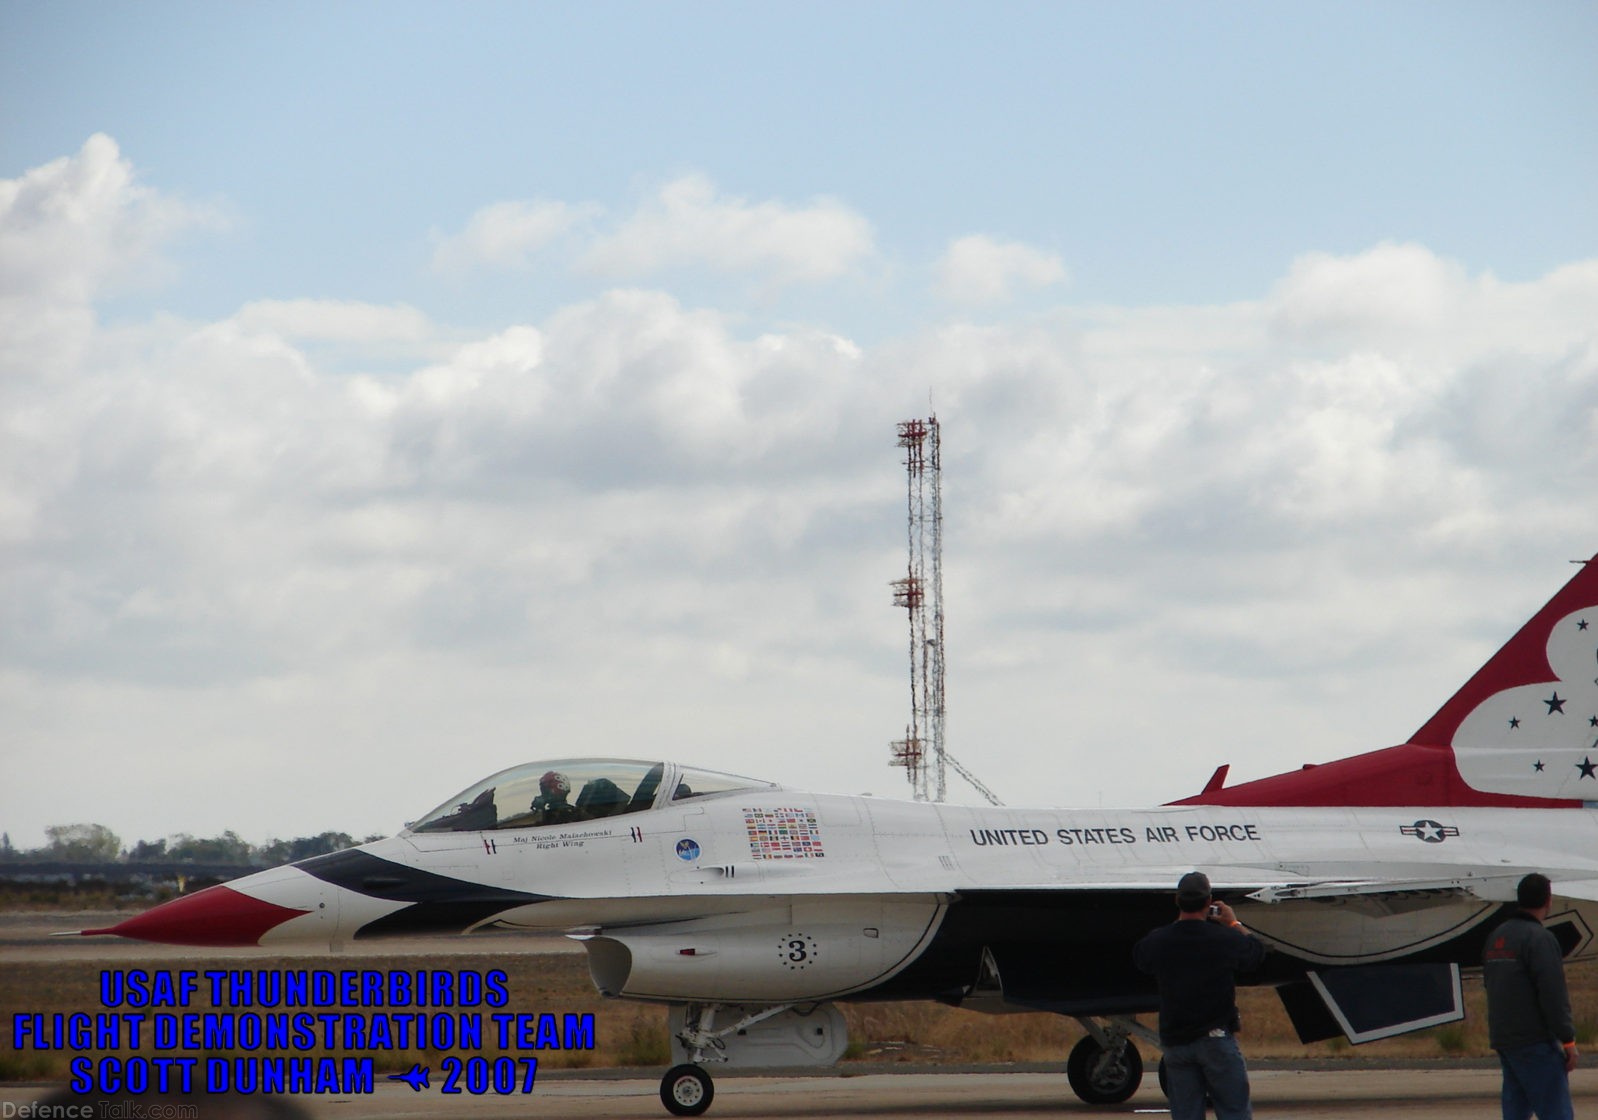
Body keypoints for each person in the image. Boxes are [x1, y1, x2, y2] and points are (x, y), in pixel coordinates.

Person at [1133, 871, 1266, 1120]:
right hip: (1215, 1040)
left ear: (1177, 901)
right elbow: (1255, 954)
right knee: (1234, 1111)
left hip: (1176, 1044)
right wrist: (1233, 923)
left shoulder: (1159, 941)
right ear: (1209, 902)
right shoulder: (1224, 939)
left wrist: (1171, 932)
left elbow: (1141, 957)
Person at [1483, 872, 1579, 1120]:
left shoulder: (1497, 938)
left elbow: (1490, 984)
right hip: (1535, 1042)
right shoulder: (1539, 939)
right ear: (1548, 901)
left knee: (1515, 1112)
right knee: (1556, 1112)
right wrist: (1567, 1040)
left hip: (1505, 1040)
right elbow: (1553, 993)